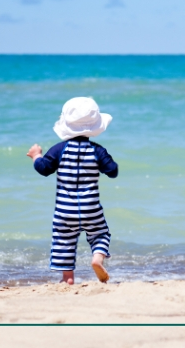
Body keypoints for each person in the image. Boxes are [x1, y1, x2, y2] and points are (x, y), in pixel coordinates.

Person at [27, 97, 118, 285]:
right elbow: (113, 171)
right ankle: (97, 259)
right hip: (91, 207)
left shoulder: (59, 149)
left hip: (64, 210)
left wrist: (36, 156)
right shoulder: (97, 151)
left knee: (63, 241)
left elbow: (44, 169)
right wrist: (106, 162)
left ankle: (67, 279)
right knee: (100, 233)